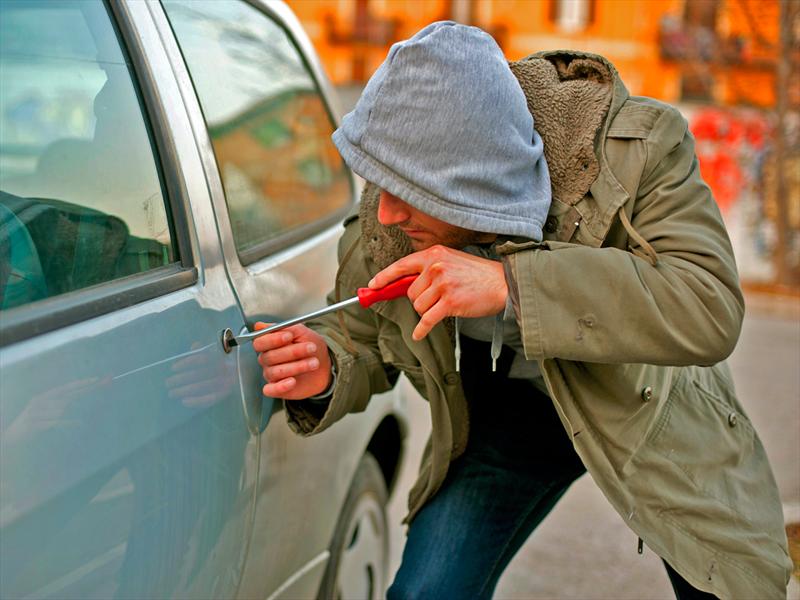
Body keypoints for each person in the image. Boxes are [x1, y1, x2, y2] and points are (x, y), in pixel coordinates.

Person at [252, 22, 792, 599]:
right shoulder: (389, 219)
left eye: (407, 193)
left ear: (470, 182)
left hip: (648, 404)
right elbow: (362, 332)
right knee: (427, 592)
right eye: (379, 183)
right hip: (513, 419)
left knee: (727, 587)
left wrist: (510, 283)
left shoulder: (638, 150)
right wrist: (327, 367)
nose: (384, 214)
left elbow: (706, 303)